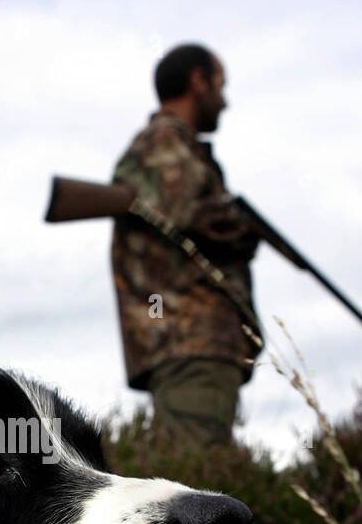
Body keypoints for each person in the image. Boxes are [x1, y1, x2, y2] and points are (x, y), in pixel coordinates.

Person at [110, 43, 262, 448]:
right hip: (190, 337)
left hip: (186, 339)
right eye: (220, 85)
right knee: (200, 478)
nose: (225, 102)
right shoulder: (165, 143)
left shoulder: (170, 147)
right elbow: (189, 213)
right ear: (199, 81)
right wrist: (242, 229)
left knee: (201, 474)